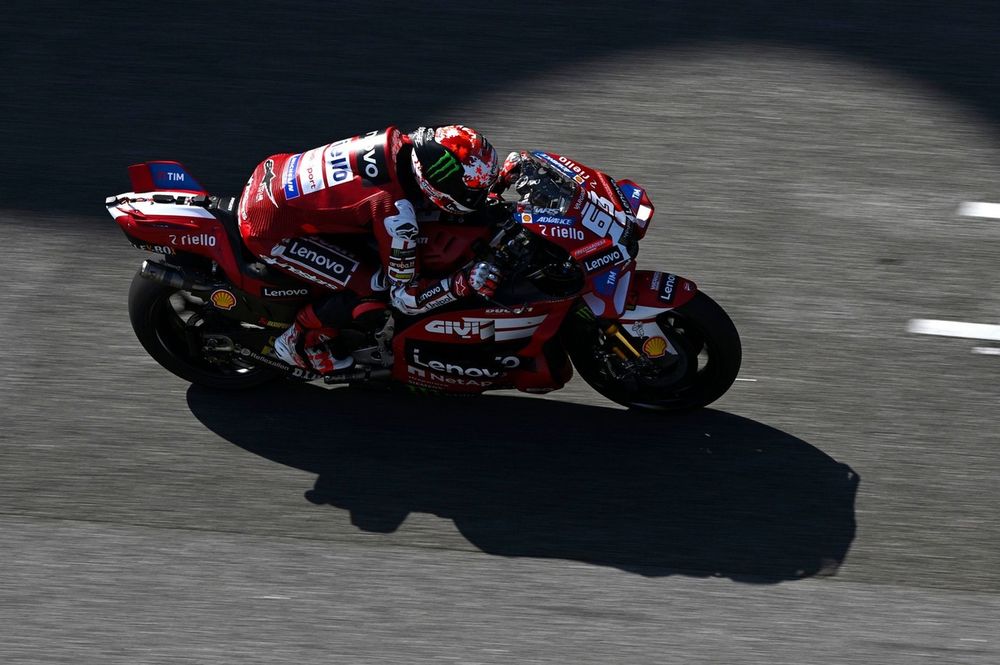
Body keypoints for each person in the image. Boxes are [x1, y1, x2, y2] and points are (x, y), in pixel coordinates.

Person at [238, 125, 504, 373]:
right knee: (375, 285)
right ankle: (297, 341)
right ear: (442, 186)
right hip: (269, 229)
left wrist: (503, 179)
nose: (480, 197)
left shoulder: (404, 143)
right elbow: (406, 298)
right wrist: (462, 283)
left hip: (273, 172)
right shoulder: (395, 214)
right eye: (475, 193)